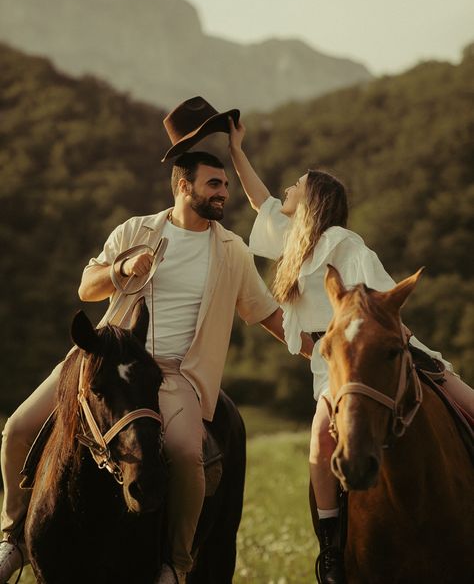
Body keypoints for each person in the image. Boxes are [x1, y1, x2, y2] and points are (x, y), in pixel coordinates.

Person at [0, 147, 312, 584]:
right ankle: (13, 536)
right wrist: (122, 267)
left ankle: (175, 564)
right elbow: (87, 287)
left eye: (224, 185)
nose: (224, 193)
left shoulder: (231, 251)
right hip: (106, 357)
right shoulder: (135, 230)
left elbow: (269, 315)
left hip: (173, 372)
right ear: (185, 187)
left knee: (186, 455)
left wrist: (323, 348)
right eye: (214, 184)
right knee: (17, 427)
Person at [228, 119, 474, 584]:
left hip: (368, 351)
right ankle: (332, 549)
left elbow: (380, 299)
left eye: (297, 185)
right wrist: (237, 150)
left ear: (313, 200)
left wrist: (412, 352)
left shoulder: (343, 243)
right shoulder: (296, 246)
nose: (288, 187)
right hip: (332, 364)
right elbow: (261, 200)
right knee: (323, 440)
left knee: (469, 406)